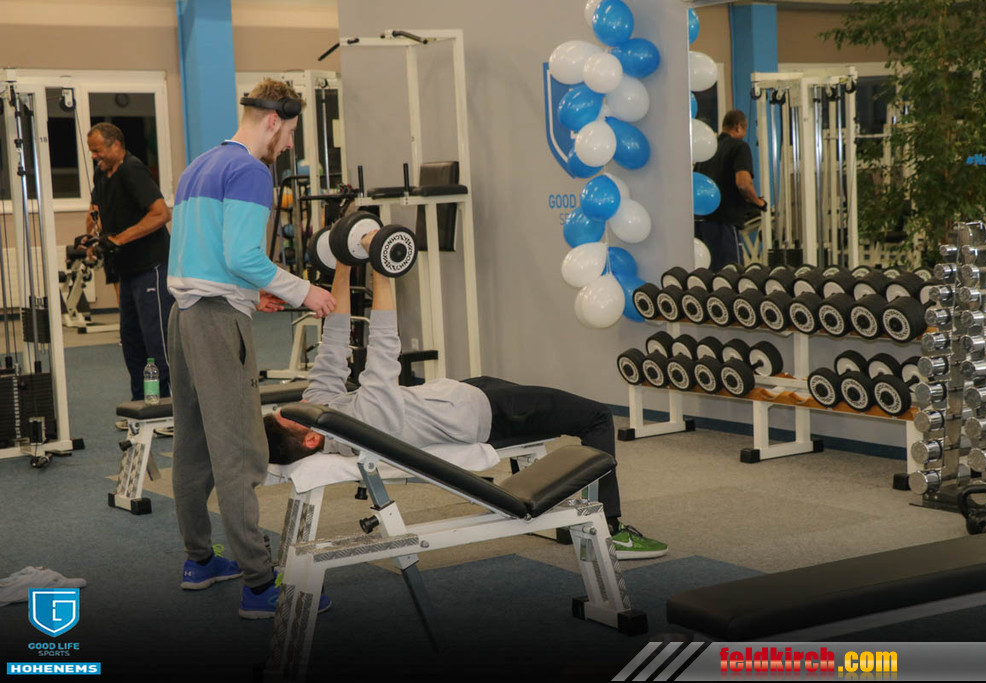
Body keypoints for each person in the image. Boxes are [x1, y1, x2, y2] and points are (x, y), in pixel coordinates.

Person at [263, 243, 669, 562]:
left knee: (540, 399)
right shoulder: (365, 423)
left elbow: (334, 339)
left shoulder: (317, 409)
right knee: (596, 416)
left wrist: (344, 261)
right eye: (290, 416)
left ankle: (545, 508)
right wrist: (381, 270)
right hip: (490, 415)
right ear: (312, 440)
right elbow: (384, 347)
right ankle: (612, 530)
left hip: (463, 393)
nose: (297, 405)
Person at [166, 78, 336, 619]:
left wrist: (248, 290)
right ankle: (261, 586)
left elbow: (207, 251)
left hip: (183, 315)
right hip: (216, 324)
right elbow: (242, 255)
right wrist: (304, 291)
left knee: (193, 443)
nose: (288, 144)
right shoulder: (250, 171)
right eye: (290, 133)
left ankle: (200, 561)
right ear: (272, 119)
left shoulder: (200, 165)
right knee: (239, 451)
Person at [87, 123, 174, 424]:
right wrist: (92, 238)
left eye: (98, 151)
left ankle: (168, 409)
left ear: (116, 145)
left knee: (158, 342)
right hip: (127, 270)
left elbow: (161, 213)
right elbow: (97, 209)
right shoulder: (102, 173)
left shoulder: (133, 169)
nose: (94, 156)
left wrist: (119, 239)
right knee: (132, 342)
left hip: (152, 267)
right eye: (91, 152)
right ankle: (142, 407)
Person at [693, 110, 767, 270]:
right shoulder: (739, 147)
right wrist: (758, 202)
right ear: (738, 126)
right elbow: (743, 183)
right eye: (745, 129)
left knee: (705, 276)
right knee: (730, 276)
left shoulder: (708, 149)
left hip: (699, 224)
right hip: (723, 222)